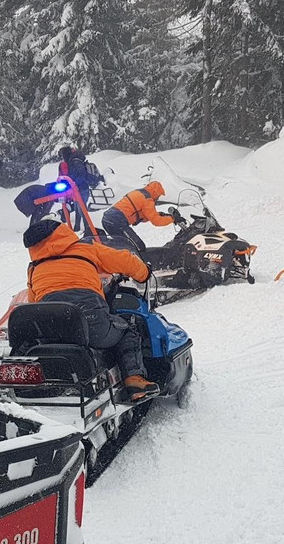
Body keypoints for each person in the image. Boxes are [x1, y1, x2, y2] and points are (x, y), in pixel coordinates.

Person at [23, 219, 160, 402]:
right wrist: (144, 273)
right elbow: (125, 261)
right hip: (93, 324)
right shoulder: (86, 249)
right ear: (63, 232)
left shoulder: (34, 268)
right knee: (127, 329)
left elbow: (34, 302)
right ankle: (134, 380)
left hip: (52, 330)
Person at [100, 181, 183, 252]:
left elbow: (142, 215)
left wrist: (162, 215)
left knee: (123, 245)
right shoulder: (147, 200)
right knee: (138, 247)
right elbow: (156, 221)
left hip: (109, 218)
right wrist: (173, 218)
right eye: (158, 196)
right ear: (155, 193)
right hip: (117, 221)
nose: (157, 199)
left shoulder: (139, 193)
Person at [57, 146, 100, 230]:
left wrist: (74, 183)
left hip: (81, 188)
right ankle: (77, 227)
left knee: (81, 209)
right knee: (78, 207)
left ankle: (88, 228)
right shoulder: (73, 161)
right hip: (79, 188)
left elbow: (81, 175)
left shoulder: (75, 162)